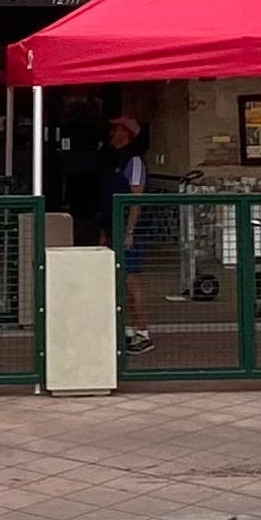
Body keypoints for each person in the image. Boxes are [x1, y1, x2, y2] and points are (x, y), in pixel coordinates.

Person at [104, 111, 152, 354]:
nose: (113, 133)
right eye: (113, 129)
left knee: (132, 281)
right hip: (113, 228)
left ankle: (142, 331)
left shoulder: (133, 161)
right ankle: (128, 330)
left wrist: (129, 231)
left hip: (126, 230)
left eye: (118, 129)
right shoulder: (117, 161)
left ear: (129, 134)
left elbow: (136, 199)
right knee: (119, 281)